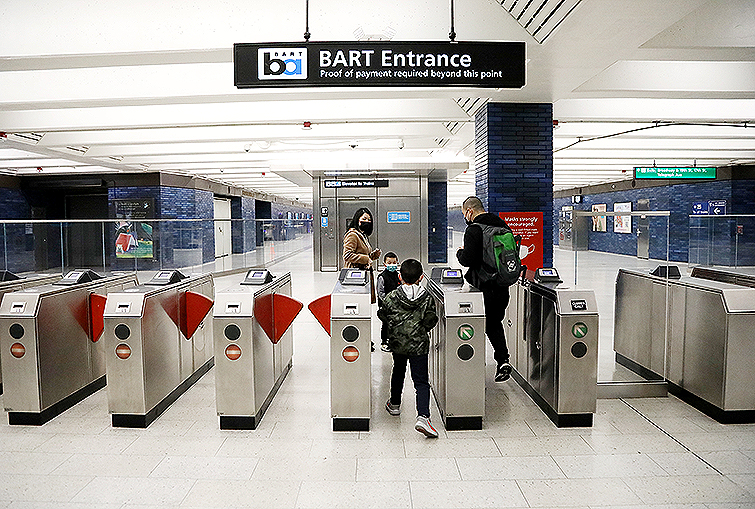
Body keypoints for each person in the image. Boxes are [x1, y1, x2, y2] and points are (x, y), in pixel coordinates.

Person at [378, 258, 440, 438]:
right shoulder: (427, 298)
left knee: (398, 372)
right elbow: (431, 320)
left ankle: (395, 404)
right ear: (421, 277)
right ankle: (423, 417)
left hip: (398, 344)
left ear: (399, 277)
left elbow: (382, 314)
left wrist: (395, 329)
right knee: (421, 381)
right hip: (419, 345)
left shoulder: (392, 296)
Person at [456, 196, 513, 382]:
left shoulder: (474, 230)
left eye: (464, 213)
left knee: (476, 324)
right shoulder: (503, 226)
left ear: (469, 211)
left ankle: (473, 362)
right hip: (503, 286)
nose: (465, 216)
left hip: (483, 287)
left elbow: (468, 260)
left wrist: (459, 253)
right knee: (494, 323)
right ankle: (503, 359)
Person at [376, 251, 400, 352]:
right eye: (389, 263)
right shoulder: (382, 277)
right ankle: (384, 342)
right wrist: (388, 302)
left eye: (394, 263)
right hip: (385, 306)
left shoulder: (398, 276)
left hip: (397, 305)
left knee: (396, 323)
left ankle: (394, 340)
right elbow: (380, 292)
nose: (392, 265)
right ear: (384, 264)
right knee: (386, 324)